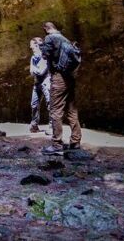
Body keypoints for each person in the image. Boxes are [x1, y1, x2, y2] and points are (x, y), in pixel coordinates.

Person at [40, 21, 81, 154]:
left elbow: (45, 55)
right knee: (71, 110)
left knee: (55, 110)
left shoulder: (49, 38)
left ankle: (56, 144)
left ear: (46, 29)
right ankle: (75, 141)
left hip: (59, 77)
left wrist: (43, 47)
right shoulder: (65, 39)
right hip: (70, 77)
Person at [29, 36, 50, 133]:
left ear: (37, 45)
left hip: (46, 82)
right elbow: (31, 71)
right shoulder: (33, 58)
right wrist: (36, 70)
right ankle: (34, 125)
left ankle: (52, 126)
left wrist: (35, 70)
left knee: (50, 103)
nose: (31, 48)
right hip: (37, 82)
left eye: (32, 46)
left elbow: (41, 71)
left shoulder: (45, 56)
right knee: (34, 104)